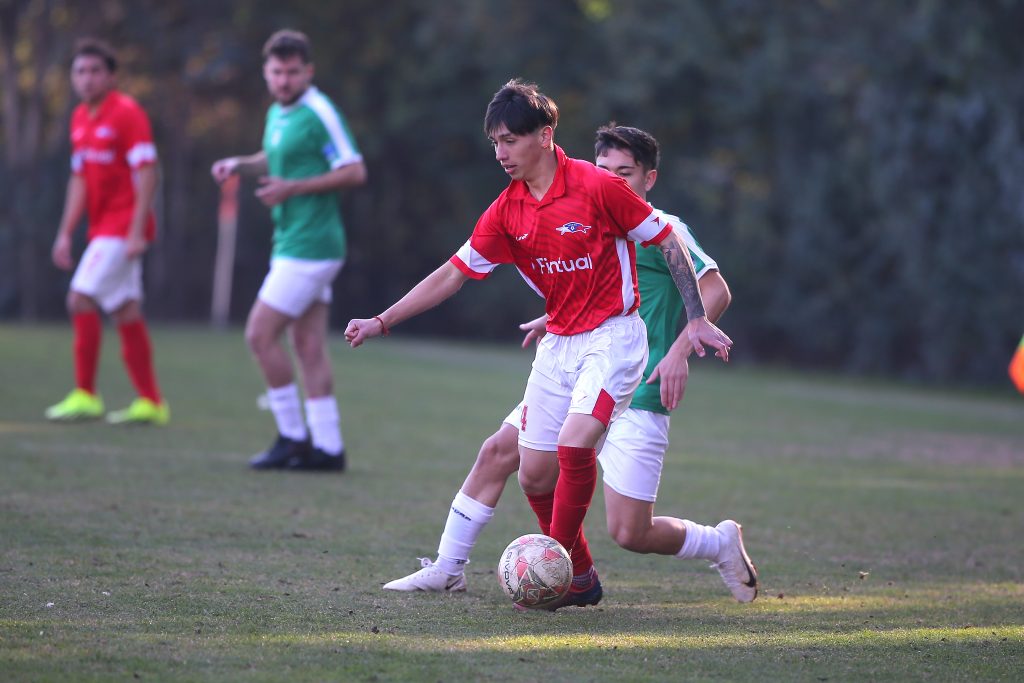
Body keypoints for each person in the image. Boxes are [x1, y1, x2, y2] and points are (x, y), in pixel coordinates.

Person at [346, 81, 733, 607]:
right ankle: (567, 575)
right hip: (560, 348)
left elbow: (666, 239)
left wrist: (694, 321)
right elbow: (452, 274)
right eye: (495, 143)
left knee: (575, 446)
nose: (501, 153)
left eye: (510, 140)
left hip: (614, 340)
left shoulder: (597, 187)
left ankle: (557, 563)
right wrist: (382, 321)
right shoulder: (506, 211)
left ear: (545, 135)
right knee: (530, 472)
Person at [211, 29, 367, 471]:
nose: (283, 80)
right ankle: (329, 448)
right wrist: (240, 165)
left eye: (292, 72)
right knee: (307, 343)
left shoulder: (319, 111)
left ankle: (291, 437)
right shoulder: (279, 113)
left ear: (307, 72)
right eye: (276, 72)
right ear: (266, 72)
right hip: (293, 243)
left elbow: (355, 171)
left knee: (259, 335)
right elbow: (275, 155)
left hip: (312, 246)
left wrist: (292, 189)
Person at [46, 38, 168, 426]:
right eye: (80, 71)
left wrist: (135, 232)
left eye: (95, 70)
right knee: (124, 310)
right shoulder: (80, 118)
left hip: (122, 228)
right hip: (102, 229)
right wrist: (65, 232)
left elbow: (148, 173)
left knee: (80, 299)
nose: (87, 78)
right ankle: (151, 402)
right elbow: (79, 178)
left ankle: (86, 394)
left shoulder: (127, 113)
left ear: (111, 76)